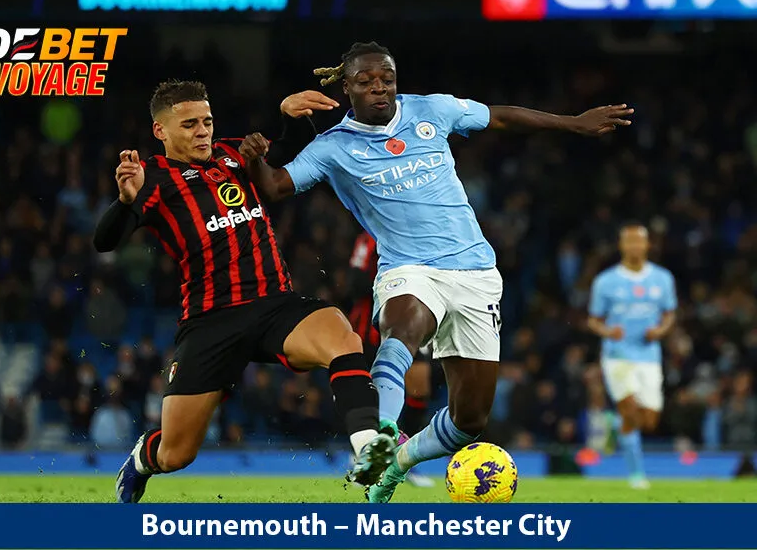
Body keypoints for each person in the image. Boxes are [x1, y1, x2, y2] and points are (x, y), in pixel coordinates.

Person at [238, 41, 633, 502]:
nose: (379, 88)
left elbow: (500, 116)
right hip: (408, 268)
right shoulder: (333, 148)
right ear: (347, 88)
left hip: (475, 273)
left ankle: (398, 462)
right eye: (365, 81)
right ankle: (379, 437)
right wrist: (255, 159)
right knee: (402, 328)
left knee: (470, 419)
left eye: (386, 78)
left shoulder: (433, 110)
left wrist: (573, 123)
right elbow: (275, 187)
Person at [94, 80, 394, 504]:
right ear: (160, 131)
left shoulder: (234, 153)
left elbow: (288, 151)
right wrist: (125, 202)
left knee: (342, 337)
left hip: (274, 305)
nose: (203, 131)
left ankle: (368, 450)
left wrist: (291, 116)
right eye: (190, 124)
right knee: (175, 454)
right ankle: (143, 459)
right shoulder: (152, 178)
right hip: (210, 322)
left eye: (207, 121)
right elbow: (105, 241)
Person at [587, 223, 676, 489]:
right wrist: (608, 331)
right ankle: (637, 475)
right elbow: (593, 320)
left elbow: (669, 314)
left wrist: (660, 331)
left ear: (647, 245)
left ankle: (613, 424)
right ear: (621, 245)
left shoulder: (662, 279)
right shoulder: (605, 282)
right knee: (629, 410)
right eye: (630, 241)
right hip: (618, 355)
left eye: (639, 241)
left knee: (649, 420)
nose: (635, 246)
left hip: (648, 355)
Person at [347, 230, 435, 488]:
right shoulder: (369, 238)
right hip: (372, 325)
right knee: (372, 389)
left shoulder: (423, 233)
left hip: (415, 315)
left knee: (419, 387)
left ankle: (405, 459)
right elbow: (354, 282)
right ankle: (364, 453)